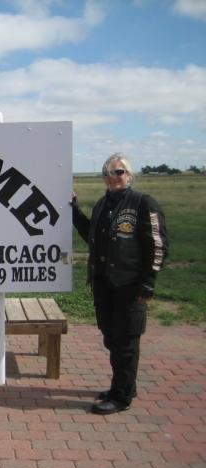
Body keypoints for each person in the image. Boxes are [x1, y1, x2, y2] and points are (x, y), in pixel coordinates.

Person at [72, 153, 168, 415]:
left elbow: (158, 246)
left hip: (130, 284)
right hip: (104, 282)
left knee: (126, 341)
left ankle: (121, 397)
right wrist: (75, 211)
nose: (112, 177)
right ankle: (125, 386)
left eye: (118, 172)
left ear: (129, 174)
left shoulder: (143, 203)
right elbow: (91, 235)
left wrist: (148, 283)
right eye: (107, 173)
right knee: (111, 336)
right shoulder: (103, 204)